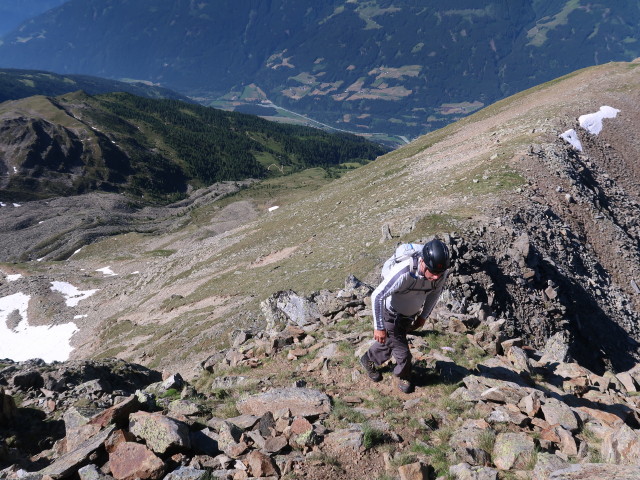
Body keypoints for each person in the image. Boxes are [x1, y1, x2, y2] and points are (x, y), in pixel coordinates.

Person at [360, 239, 452, 393]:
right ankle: (405, 374)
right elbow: (377, 296)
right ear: (422, 262)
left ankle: (368, 359)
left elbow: (434, 295)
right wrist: (379, 327)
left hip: (408, 317)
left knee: (390, 341)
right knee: (403, 353)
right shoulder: (404, 272)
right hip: (391, 315)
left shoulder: (439, 275)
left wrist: (423, 317)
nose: (436, 277)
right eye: (433, 272)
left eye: (439, 273)